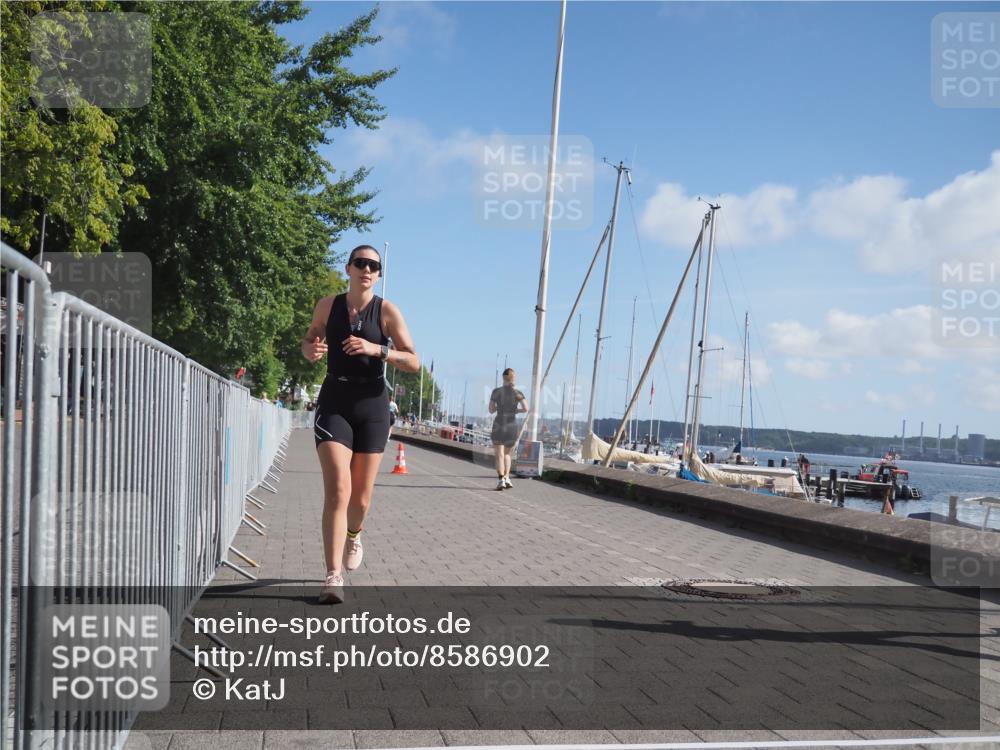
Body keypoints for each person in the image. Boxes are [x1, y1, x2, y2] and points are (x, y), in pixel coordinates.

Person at [302, 244, 419, 604]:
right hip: (335, 400)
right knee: (338, 489)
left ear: (379, 274)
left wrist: (378, 350)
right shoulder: (328, 305)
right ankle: (332, 575)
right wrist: (310, 349)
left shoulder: (387, 311)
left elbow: (414, 362)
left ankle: (354, 534)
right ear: (348, 268)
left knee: (361, 497)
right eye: (360, 263)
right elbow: (310, 338)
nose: (367, 269)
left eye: (374, 265)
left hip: (372, 405)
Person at [488, 368, 527, 490]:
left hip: (499, 424)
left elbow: (491, 410)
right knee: (507, 455)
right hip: (511, 426)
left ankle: (501, 480)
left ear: (503, 378)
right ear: (513, 378)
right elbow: (526, 408)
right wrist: (516, 410)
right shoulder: (517, 393)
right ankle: (507, 478)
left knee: (499, 454)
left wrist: (498, 408)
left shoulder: (496, 392)